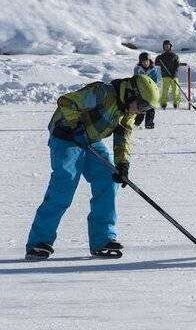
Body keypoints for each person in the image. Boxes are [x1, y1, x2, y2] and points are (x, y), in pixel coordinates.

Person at [24, 74, 160, 260]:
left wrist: (122, 164)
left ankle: (103, 239)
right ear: (131, 93)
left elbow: (124, 134)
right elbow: (67, 102)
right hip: (66, 136)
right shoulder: (103, 93)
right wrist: (76, 126)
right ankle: (39, 242)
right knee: (64, 185)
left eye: (146, 108)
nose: (140, 111)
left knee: (108, 179)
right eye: (142, 105)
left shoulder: (127, 111)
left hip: (90, 140)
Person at [133, 52, 162, 129]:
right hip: (140, 91)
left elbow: (155, 81)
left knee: (150, 107)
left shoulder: (153, 69)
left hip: (150, 90)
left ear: (149, 61)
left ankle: (149, 123)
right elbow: (135, 79)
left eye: (146, 61)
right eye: (143, 62)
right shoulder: (137, 69)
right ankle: (136, 123)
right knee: (140, 108)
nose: (145, 63)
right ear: (141, 62)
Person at [155, 39, 182, 110]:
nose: (167, 47)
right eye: (165, 46)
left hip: (174, 76)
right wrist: (158, 59)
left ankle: (176, 103)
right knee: (164, 90)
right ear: (163, 47)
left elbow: (176, 66)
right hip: (165, 76)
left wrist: (174, 74)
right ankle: (163, 104)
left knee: (175, 90)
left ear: (170, 46)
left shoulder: (174, 56)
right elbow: (156, 62)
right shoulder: (162, 56)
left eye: (168, 46)